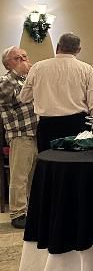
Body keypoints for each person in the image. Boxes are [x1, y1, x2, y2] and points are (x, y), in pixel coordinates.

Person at [20, 33, 93, 152]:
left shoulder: (38, 67)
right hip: (77, 125)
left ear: (58, 46)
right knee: (76, 161)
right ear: (78, 50)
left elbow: (24, 97)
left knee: (49, 161)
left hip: (47, 125)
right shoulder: (87, 69)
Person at [0, 47, 37, 229]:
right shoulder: (5, 81)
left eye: (24, 56)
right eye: (17, 58)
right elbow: (2, 93)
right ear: (8, 64)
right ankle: (18, 213)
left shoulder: (29, 80)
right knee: (20, 177)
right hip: (20, 134)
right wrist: (16, 73)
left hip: (37, 133)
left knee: (34, 176)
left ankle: (33, 209)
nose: (23, 60)